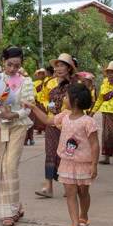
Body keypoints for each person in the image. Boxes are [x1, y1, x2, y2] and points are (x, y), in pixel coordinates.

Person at [25, 83, 99, 226]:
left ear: (76, 100)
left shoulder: (88, 121)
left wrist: (94, 164)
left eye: (66, 96)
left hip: (83, 164)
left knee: (83, 192)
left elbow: (94, 144)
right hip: (66, 162)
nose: (64, 98)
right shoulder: (64, 116)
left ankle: (83, 216)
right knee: (71, 193)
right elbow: (47, 120)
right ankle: (75, 225)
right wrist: (33, 107)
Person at [0, 47, 35, 226]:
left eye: (17, 65)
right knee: (0, 166)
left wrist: (14, 115)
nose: (12, 68)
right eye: (9, 64)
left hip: (18, 125)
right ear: (3, 61)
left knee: (10, 165)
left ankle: (9, 213)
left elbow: (28, 108)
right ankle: (16, 206)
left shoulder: (26, 81)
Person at [36, 53, 75, 198]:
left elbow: (76, 102)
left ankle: (68, 186)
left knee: (67, 154)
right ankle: (48, 186)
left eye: (62, 65)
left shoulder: (74, 84)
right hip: (52, 122)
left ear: (69, 68)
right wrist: (49, 106)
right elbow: (42, 98)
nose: (58, 68)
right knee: (50, 153)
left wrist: (64, 112)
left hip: (68, 123)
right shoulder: (49, 82)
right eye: (56, 65)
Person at [32, 68, 48, 135]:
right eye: (39, 74)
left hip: (45, 101)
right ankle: (39, 129)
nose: (40, 75)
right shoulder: (35, 83)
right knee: (37, 117)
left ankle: (45, 129)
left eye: (42, 74)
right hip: (37, 101)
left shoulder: (47, 81)